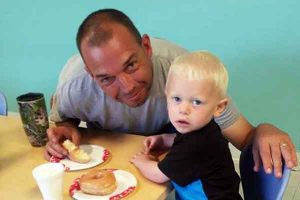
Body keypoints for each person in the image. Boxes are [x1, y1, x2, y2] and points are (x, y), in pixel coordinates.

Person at [45, 8, 297, 178]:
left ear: (146, 47)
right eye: (106, 79)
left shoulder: (183, 73)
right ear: (91, 75)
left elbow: (245, 136)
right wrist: (67, 130)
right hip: (113, 174)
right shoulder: (73, 86)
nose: (128, 86)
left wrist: (265, 129)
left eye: (131, 65)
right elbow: (65, 120)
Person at [130, 51, 242, 199]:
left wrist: (141, 161)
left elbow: (158, 175)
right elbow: (182, 139)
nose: (183, 110)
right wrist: (164, 139)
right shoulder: (203, 131)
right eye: (176, 98)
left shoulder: (195, 146)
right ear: (167, 96)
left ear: (218, 107)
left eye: (196, 102)